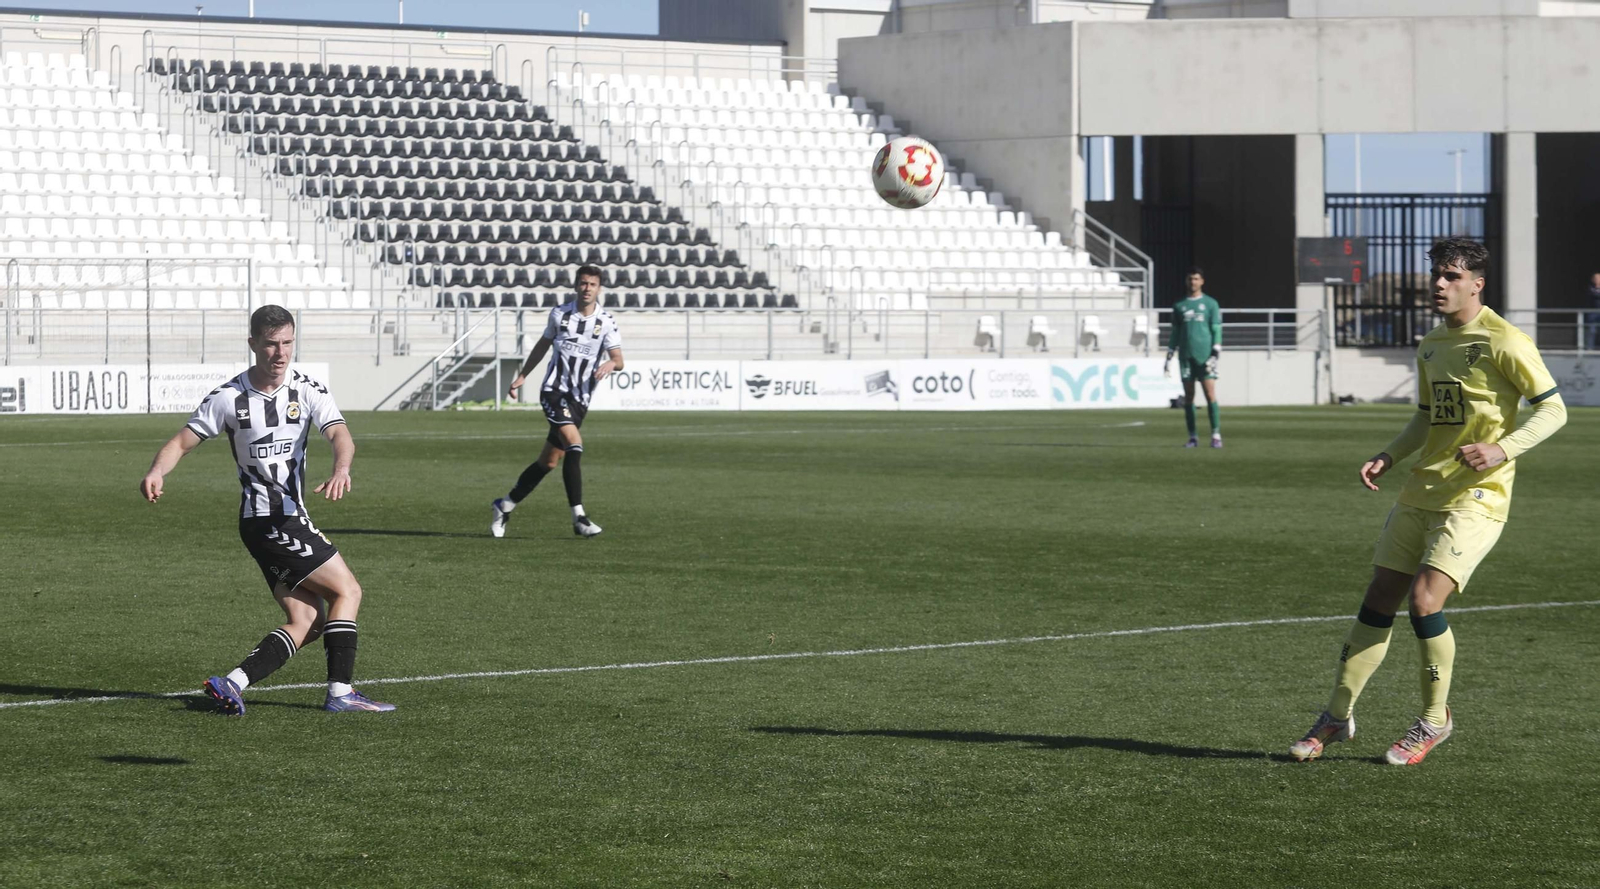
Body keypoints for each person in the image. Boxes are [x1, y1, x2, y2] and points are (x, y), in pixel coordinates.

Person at [1289, 238, 1566, 766]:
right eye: (1436, 274)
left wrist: (1501, 448)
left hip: (1477, 497)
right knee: (1379, 597)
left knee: (1424, 601)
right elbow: (1426, 416)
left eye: (1451, 276)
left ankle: (1435, 720)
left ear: (1477, 283)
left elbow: (1553, 411)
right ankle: (1336, 716)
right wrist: (1389, 457)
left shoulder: (1506, 341)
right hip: (1422, 488)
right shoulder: (1433, 343)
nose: (1439, 284)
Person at [139, 305, 394, 715]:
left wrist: (341, 468)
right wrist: (157, 470)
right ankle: (341, 692)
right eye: (272, 343)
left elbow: (340, 434)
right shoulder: (228, 398)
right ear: (253, 343)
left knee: (308, 620)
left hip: (280, 520)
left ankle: (231, 683)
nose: (280, 353)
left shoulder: (308, 388)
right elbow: (180, 443)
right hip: (270, 518)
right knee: (348, 590)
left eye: (288, 343)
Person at [491, 265, 624, 539]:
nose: (587, 288)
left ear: (599, 289)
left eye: (593, 284)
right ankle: (579, 517)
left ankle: (504, 506)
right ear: (576, 285)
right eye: (583, 283)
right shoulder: (560, 315)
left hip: (580, 400)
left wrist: (611, 363)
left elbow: (619, 360)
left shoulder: (607, 322)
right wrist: (523, 375)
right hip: (554, 391)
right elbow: (542, 345)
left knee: (549, 462)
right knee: (575, 445)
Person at [1164, 267, 1223, 448]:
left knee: (1209, 393)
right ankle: (1193, 437)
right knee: (1189, 396)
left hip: (1205, 355)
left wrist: (1216, 351)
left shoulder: (1210, 304)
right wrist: (1170, 353)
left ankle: (1215, 435)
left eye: (1196, 279)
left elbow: (1216, 328)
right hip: (1186, 356)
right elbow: (1175, 332)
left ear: (1202, 281)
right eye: (1190, 279)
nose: (1193, 282)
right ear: (1186, 281)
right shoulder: (1179, 305)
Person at [1585, 272, 1600, 351]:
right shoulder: (1590, 288)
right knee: (1592, 330)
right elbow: (1593, 295)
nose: (1597, 280)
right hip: (1593, 312)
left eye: (1599, 278)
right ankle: (1590, 347)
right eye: (1596, 278)